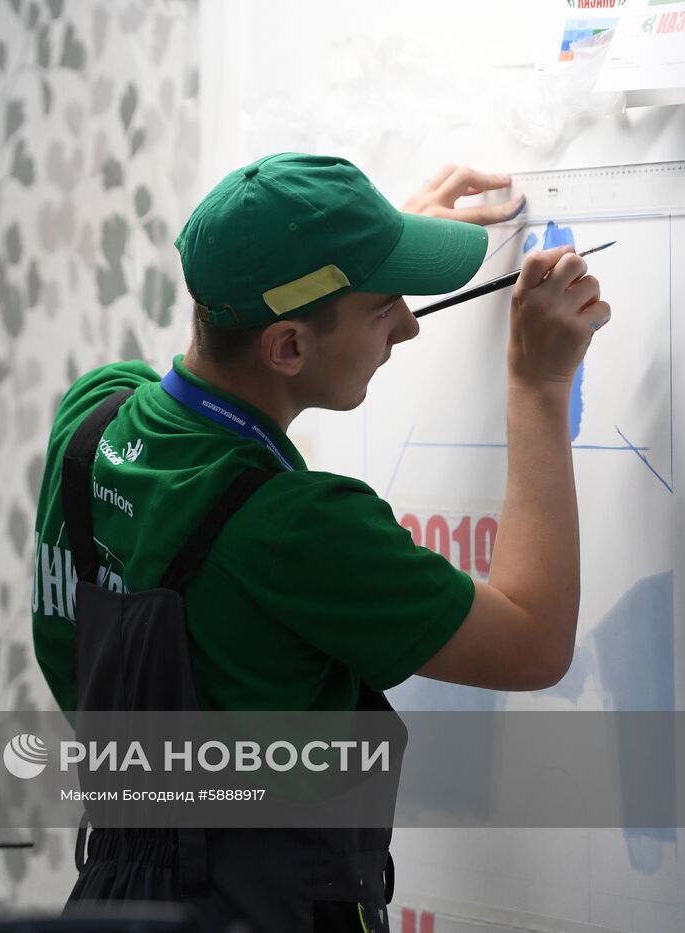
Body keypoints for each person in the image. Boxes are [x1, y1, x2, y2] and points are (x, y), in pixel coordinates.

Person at [31, 154, 607, 931]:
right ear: (289, 349)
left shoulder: (93, 418)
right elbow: (535, 643)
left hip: (111, 900)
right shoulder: (297, 527)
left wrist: (357, 250)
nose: (406, 324)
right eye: (385, 306)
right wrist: (539, 387)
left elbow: (230, 333)